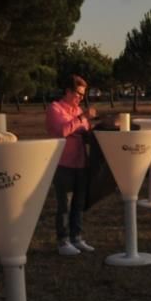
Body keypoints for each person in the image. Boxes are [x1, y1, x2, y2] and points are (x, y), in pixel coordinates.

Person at [46, 75, 97, 256]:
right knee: (64, 205)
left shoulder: (77, 110)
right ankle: (63, 240)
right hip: (63, 163)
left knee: (78, 203)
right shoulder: (55, 108)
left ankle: (76, 237)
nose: (81, 98)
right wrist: (82, 117)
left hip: (81, 162)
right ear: (67, 91)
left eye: (83, 94)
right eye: (78, 93)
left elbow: (87, 132)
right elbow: (61, 131)